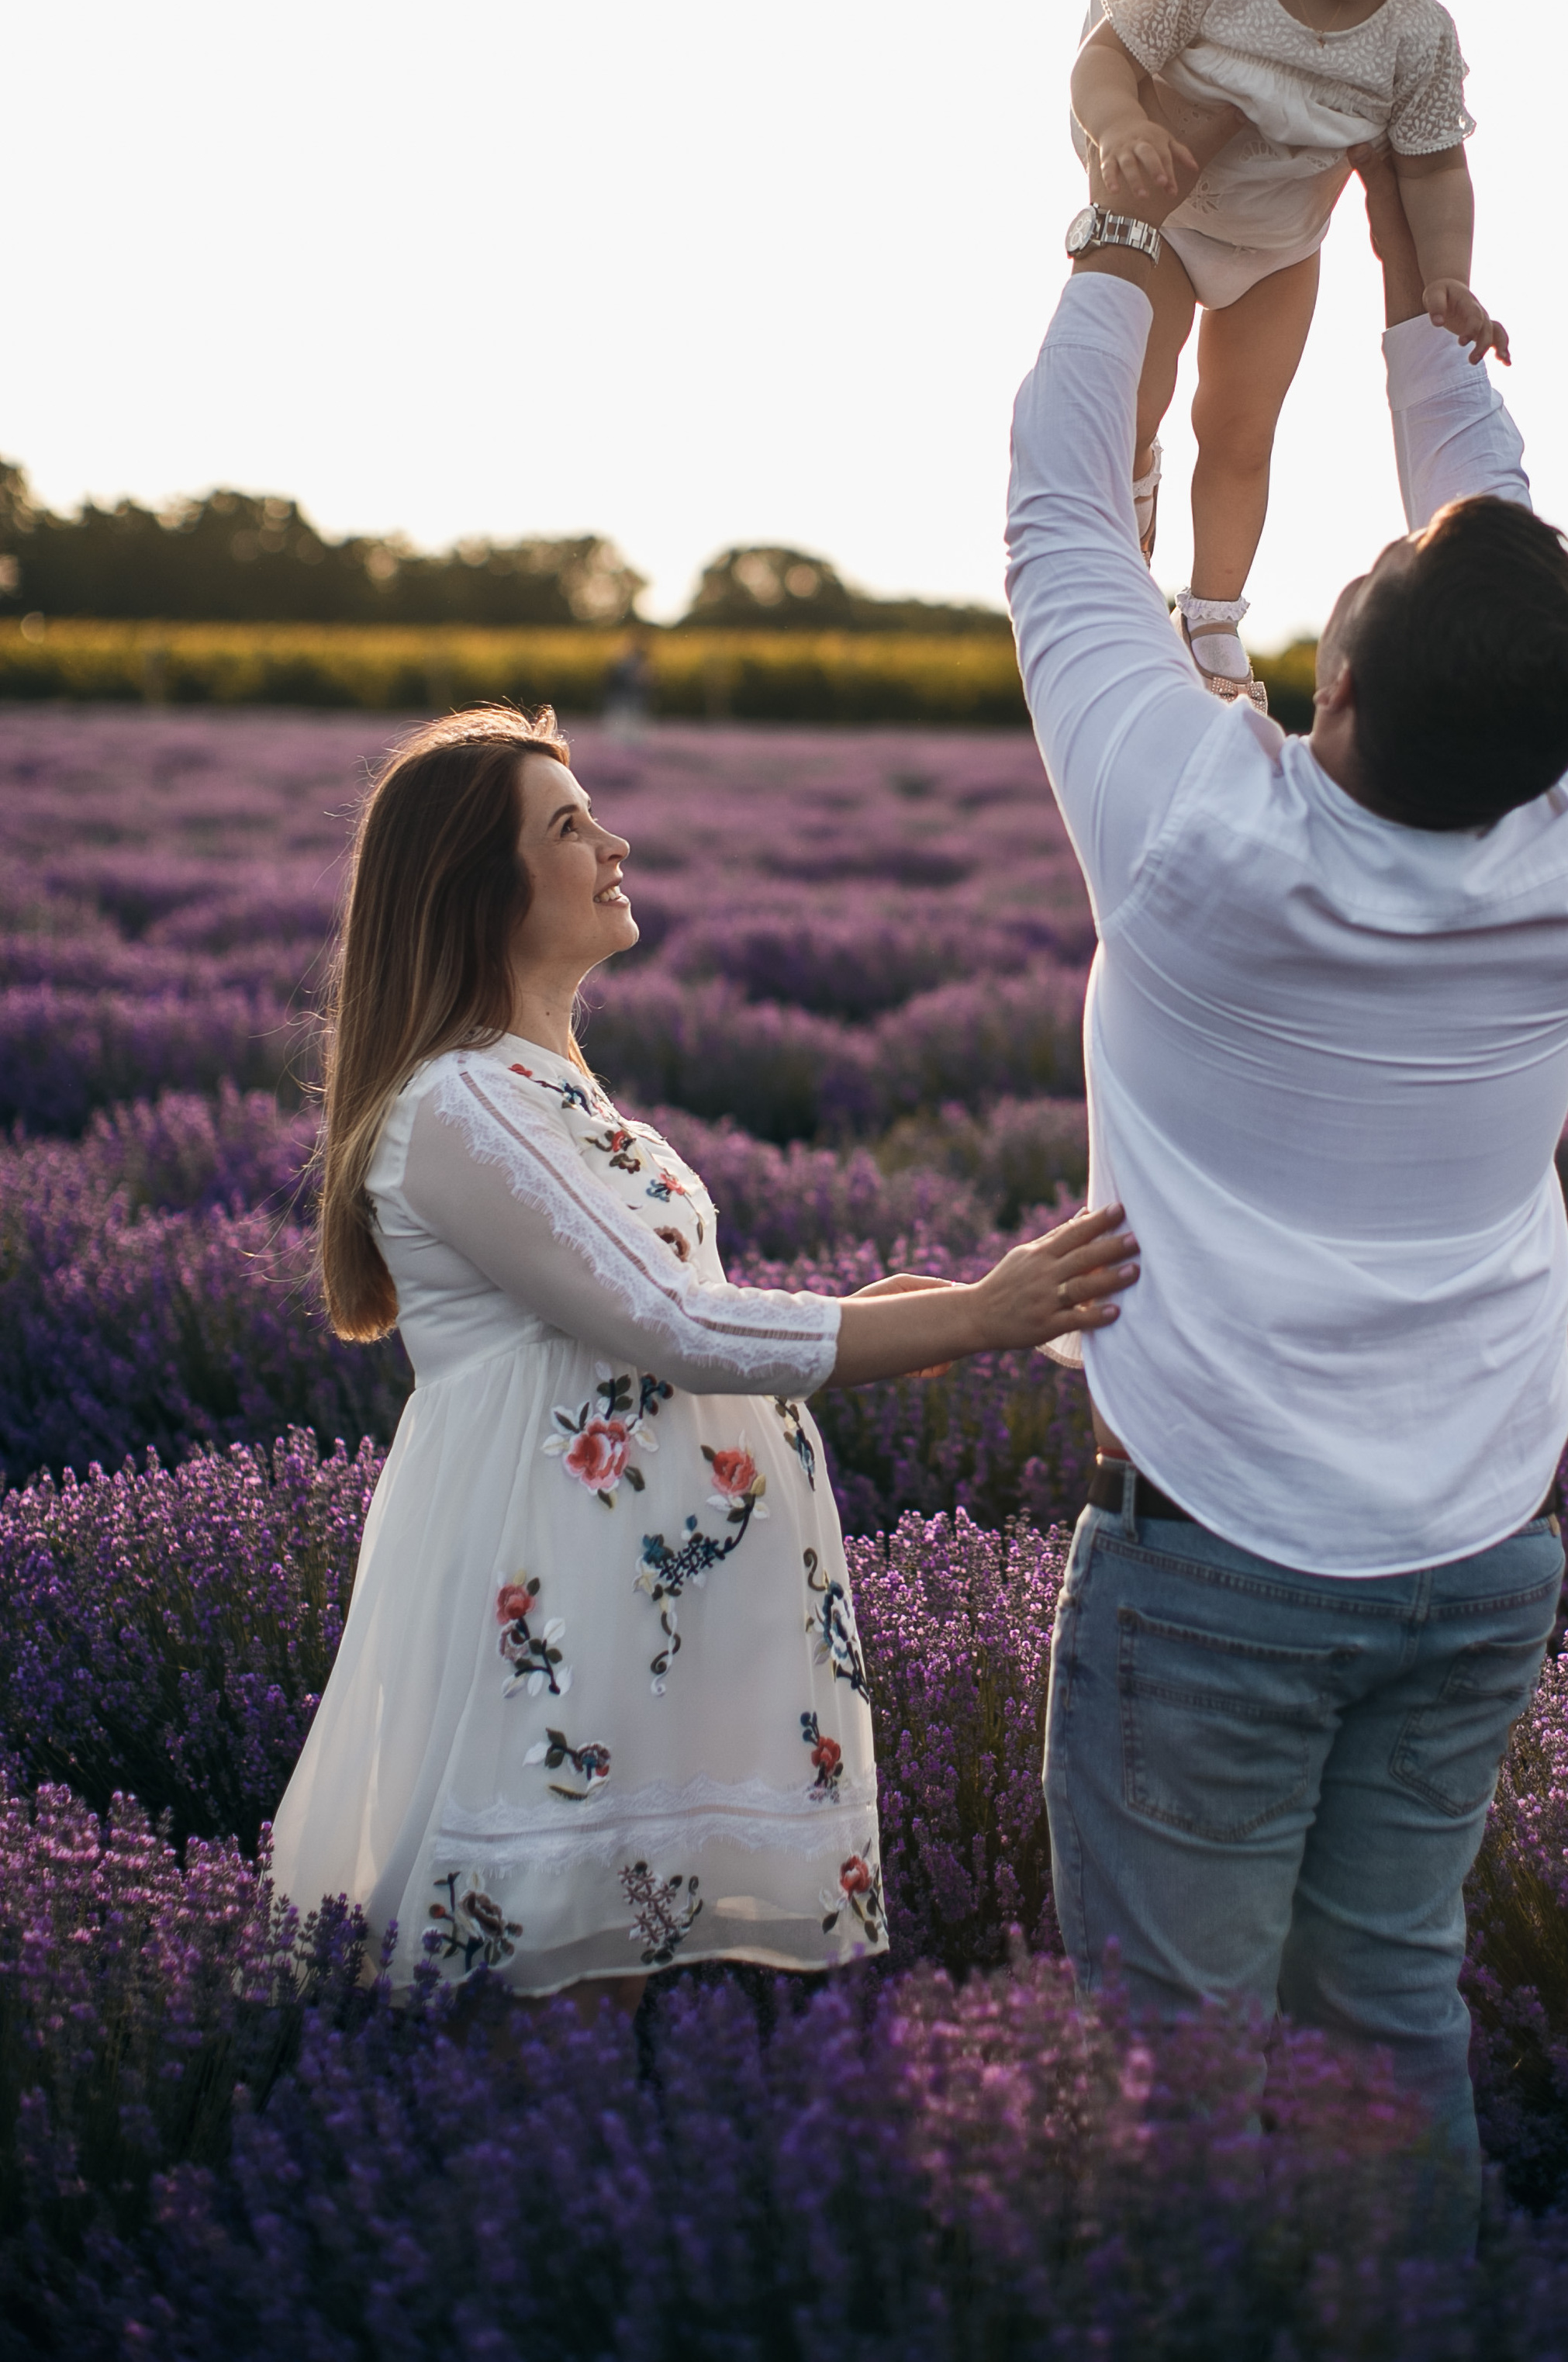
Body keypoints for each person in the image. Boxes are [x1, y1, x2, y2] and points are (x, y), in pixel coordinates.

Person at [1007, 145, 1568, 2245]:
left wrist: (1125, 237)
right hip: (1478, 1545)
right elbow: (1497, 523)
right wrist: (1419, 253)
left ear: (1335, 690)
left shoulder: (1202, 837)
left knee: (1178, 2070)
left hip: (1227, 1556)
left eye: (1351, 594)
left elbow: (1057, 513)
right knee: (1387, 2012)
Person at [271, 706, 1137, 2008]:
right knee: (547, 1996)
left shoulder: (537, 1082)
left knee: (601, 1995)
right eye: (569, 826)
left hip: (639, 1605)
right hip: (553, 1601)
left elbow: (674, 1313)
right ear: (474, 888)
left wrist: (918, 1311)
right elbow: (666, 1328)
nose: (616, 842)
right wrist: (977, 1313)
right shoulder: (455, 1103)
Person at [1068, 0, 1504, 711]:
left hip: (1281, 245)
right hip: (1170, 217)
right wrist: (1125, 127)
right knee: (1143, 389)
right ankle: (1128, 521)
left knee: (1244, 428)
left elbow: (1435, 168)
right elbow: (1103, 62)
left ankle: (1214, 615)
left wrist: (1450, 278)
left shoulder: (1415, 35)